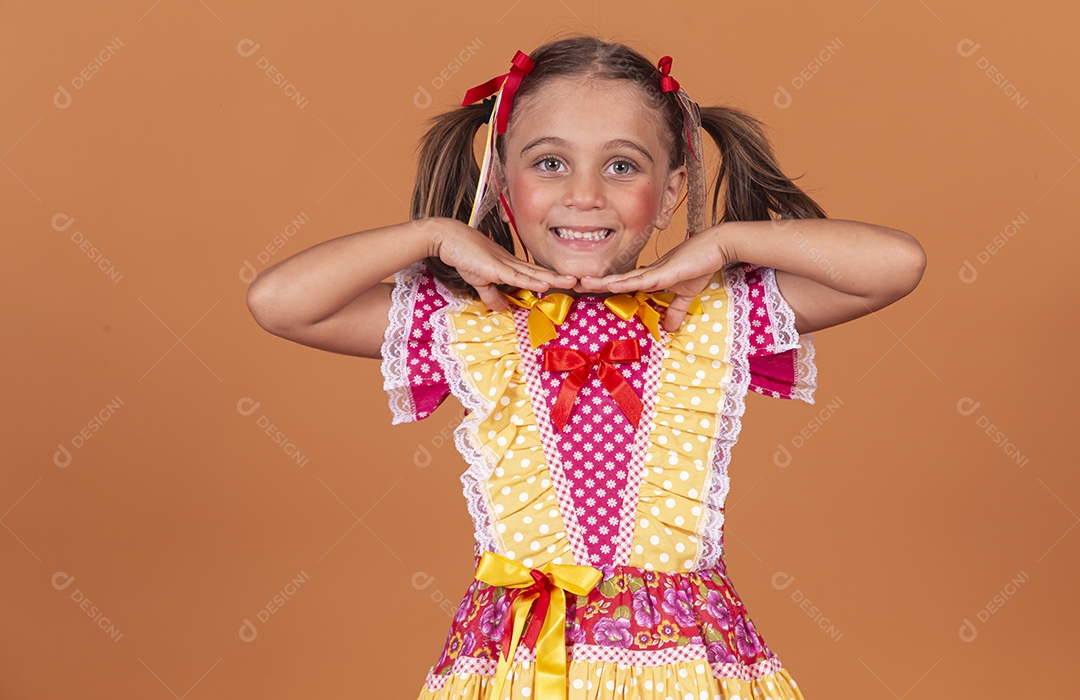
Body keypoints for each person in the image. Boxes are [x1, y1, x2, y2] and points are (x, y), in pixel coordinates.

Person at [246, 35, 925, 700]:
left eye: (623, 167)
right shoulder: (469, 321)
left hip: (684, 666)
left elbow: (896, 266)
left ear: (670, 191)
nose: (585, 195)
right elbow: (279, 303)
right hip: (516, 663)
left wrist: (726, 241)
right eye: (549, 164)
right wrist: (435, 234)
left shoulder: (710, 313)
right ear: (502, 185)